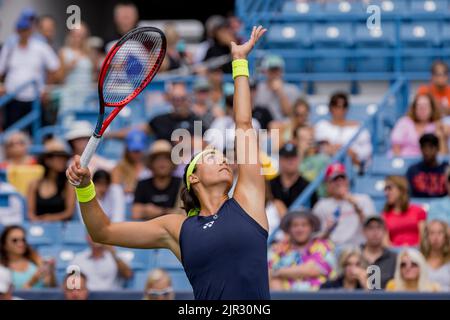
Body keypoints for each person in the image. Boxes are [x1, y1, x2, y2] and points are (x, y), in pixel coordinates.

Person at [66, 26, 271, 300]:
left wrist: (239, 62)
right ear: (193, 178)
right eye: (212, 157)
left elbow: (244, 125)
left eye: (223, 156)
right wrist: (85, 187)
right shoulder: (176, 228)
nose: (223, 160)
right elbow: (102, 231)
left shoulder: (249, 201)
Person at [0, 14, 60, 130]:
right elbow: (1, 70)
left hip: (35, 98)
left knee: (37, 131)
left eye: (26, 29)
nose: (24, 32)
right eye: (21, 29)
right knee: (12, 132)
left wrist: (46, 88)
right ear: (17, 30)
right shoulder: (9, 47)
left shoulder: (40, 47)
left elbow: (54, 67)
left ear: (31, 30)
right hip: (13, 97)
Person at [268, 211, 336, 291]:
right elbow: (268, 273)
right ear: (288, 229)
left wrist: (277, 272)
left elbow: (314, 269)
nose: (300, 229)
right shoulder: (277, 248)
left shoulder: (324, 245)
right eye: (295, 225)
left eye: (304, 225)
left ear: (312, 228)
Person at [312, 163, 376, 246]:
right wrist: (328, 230)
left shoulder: (363, 199)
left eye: (342, 178)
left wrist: (355, 205)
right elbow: (315, 236)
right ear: (328, 184)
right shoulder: (321, 206)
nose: (339, 182)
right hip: (331, 249)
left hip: (358, 248)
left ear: (347, 180)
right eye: (335, 179)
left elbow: (372, 227)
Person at [314, 92, 372, 167]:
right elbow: (316, 148)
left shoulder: (359, 127)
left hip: (352, 166)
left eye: (344, 106)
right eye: (337, 106)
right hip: (326, 166)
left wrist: (351, 153)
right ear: (330, 108)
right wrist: (332, 149)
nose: (340, 110)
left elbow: (366, 152)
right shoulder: (321, 126)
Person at [27, 139, 75, 222]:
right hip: (38, 228)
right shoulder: (34, 184)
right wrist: (38, 221)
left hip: (62, 229)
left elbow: (69, 212)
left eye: (64, 158)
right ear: (47, 160)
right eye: (58, 157)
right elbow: (30, 213)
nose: (62, 160)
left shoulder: (69, 184)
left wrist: (49, 218)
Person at [132, 140, 182, 220]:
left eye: (166, 159)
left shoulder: (180, 183)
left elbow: (183, 214)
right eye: (157, 159)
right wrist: (169, 212)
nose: (162, 163)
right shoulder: (142, 184)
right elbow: (135, 214)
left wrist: (160, 211)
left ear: (172, 162)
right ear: (150, 163)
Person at [205, 83, 261, 152]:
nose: (233, 108)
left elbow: (257, 148)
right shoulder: (219, 122)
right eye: (230, 104)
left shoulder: (253, 123)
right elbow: (209, 146)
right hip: (221, 159)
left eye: (235, 104)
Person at [391, 93, 446, 157]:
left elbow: (442, 156)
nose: (422, 109)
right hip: (404, 162)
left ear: (432, 108)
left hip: (428, 164)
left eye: (425, 105)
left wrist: (441, 136)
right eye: (419, 106)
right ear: (414, 108)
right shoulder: (404, 122)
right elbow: (396, 148)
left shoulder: (437, 125)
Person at [57, 22, 95, 115]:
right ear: (70, 35)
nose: (78, 38)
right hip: (70, 96)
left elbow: (94, 76)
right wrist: (68, 67)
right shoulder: (64, 52)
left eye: (81, 35)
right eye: (75, 34)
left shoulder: (90, 54)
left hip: (86, 95)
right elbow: (58, 77)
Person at [382, 176, 427, 247]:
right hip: (395, 255)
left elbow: (424, 239)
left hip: (417, 252)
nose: (386, 193)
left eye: (389, 188)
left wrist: (412, 250)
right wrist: (400, 250)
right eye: (385, 190)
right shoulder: (384, 215)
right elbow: (385, 243)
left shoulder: (418, 210)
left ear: (401, 190)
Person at [269, 142, 317, 208]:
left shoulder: (307, 186)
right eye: (286, 157)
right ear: (280, 160)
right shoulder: (271, 185)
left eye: (293, 157)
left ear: (298, 159)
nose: (290, 161)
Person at [254, 55, 300, 121]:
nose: (274, 73)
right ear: (265, 71)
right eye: (271, 70)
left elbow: (290, 114)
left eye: (277, 70)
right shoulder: (258, 89)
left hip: (284, 127)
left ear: (282, 71)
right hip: (263, 128)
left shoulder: (292, 90)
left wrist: (281, 93)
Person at [406, 133, 448, 198]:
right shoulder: (413, 170)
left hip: (443, 206)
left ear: (437, 148)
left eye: (430, 147)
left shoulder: (446, 169)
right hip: (418, 205)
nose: (427, 151)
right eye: (424, 147)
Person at [361, 216, 397, 289]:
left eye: (379, 228)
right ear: (364, 232)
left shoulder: (394, 258)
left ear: (384, 232)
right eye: (370, 228)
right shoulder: (355, 256)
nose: (375, 232)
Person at [111, 129, 150, 196]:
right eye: (134, 150)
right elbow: (115, 193)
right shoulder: (118, 168)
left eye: (139, 150)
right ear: (127, 150)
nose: (137, 154)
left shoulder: (149, 167)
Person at [420, 220, 450, 292]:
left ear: (445, 237)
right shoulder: (419, 260)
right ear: (427, 237)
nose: (436, 237)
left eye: (440, 233)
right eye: (432, 233)